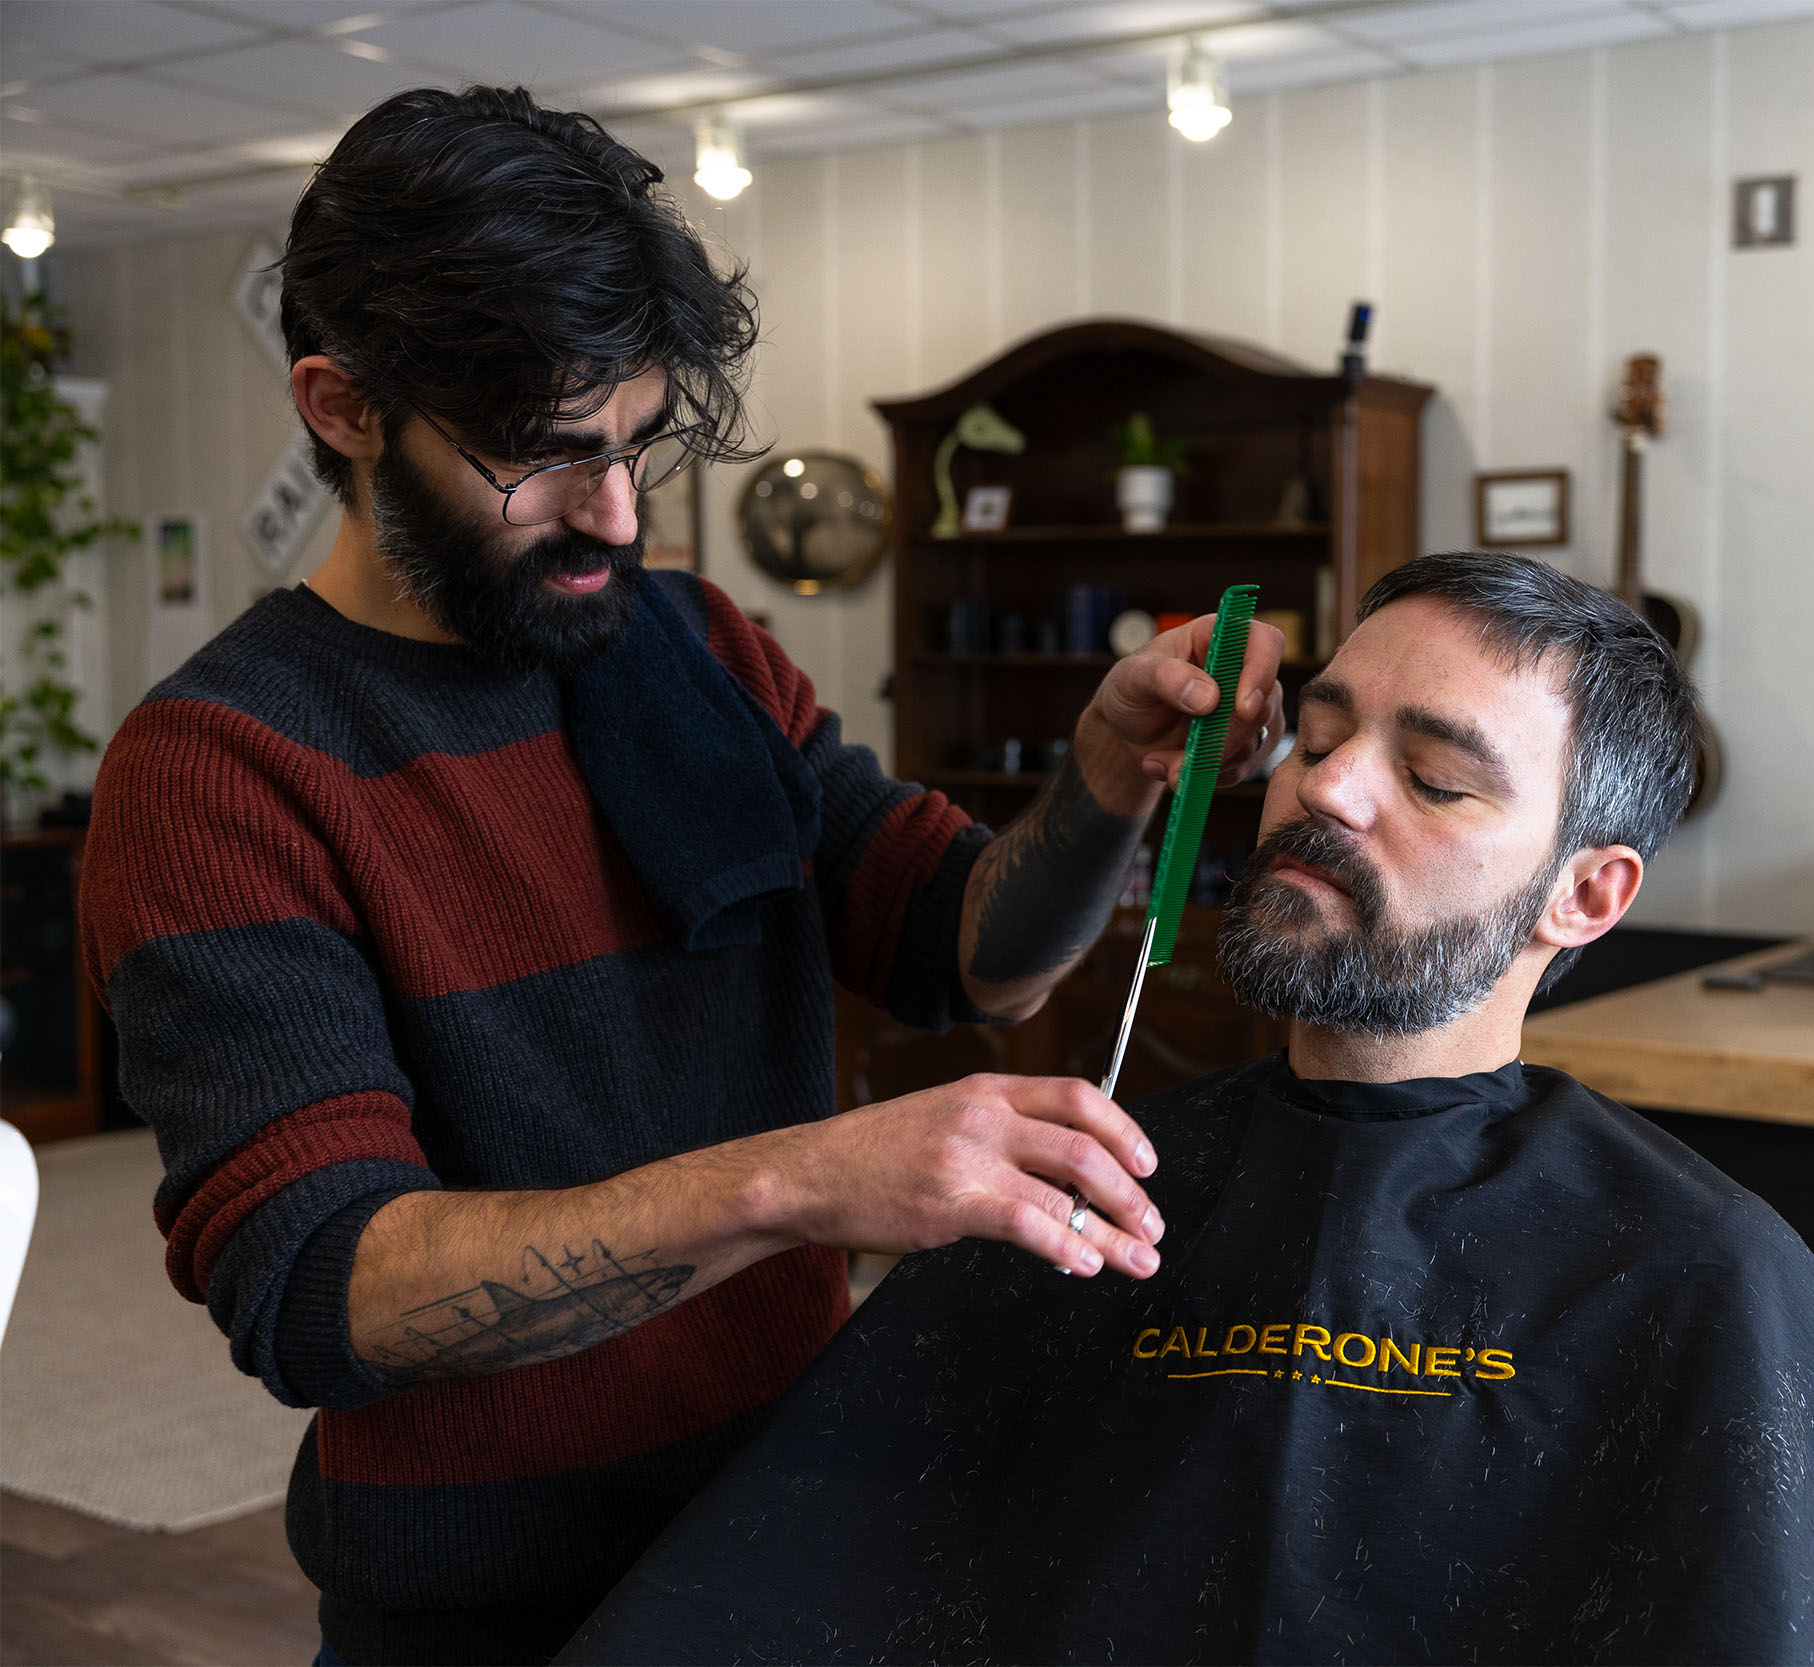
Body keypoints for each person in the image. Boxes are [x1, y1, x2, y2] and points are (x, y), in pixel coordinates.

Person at [76, 86, 1284, 1666]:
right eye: (546, 460)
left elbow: (963, 953)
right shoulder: (222, 767)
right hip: (497, 1616)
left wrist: (1107, 784)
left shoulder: (689, 647)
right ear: (341, 405)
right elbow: (321, 1285)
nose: (616, 515)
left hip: (796, 1524)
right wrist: (805, 1180)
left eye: (641, 445)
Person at [563, 552, 1814, 1667]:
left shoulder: (1706, 1279)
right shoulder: (1090, 1181)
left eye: (1435, 778)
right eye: (1319, 730)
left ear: (1587, 895)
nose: (1326, 787)